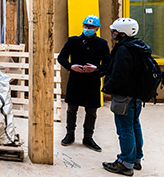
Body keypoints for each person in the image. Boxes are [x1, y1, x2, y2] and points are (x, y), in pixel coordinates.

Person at [58, 14, 110, 152]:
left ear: (97, 28)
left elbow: (108, 64)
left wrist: (97, 68)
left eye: (91, 27)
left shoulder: (102, 44)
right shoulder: (73, 41)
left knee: (91, 111)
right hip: (75, 80)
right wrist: (70, 67)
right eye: (86, 26)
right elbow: (61, 57)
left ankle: (88, 138)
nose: (88, 28)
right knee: (71, 109)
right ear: (83, 26)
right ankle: (69, 135)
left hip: (92, 82)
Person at [102, 18, 147, 176]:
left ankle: (125, 163)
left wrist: (107, 87)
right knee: (135, 125)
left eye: (114, 31)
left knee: (125, 129)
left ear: (122, 33)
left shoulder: (123, 49)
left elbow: (119, 75)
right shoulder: (138, 46)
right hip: (136, 95)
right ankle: (136, 159)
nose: (112, 33)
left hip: (124, 96)